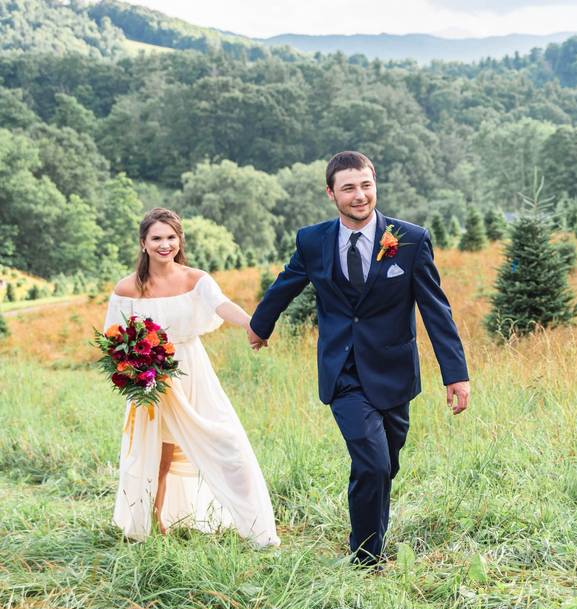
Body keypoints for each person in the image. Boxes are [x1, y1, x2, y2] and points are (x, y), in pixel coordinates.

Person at [249, 151, 469, 565]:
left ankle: (370, 539)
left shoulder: (410, 240)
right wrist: (261, 326)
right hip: (343, 372)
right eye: (348, 187)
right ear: (331, 193)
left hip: (394, 373)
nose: (359, 195)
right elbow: (286, 284)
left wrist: (455, 374)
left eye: (365, 185)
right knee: (371, 463)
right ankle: (366, 556)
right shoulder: (313, 241)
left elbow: (436, 310)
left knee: (385, 465)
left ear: (375, 184)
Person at [104, 208, 279, 547]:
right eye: (156, 238)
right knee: (158, 455)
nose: (164, 244)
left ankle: (256, 529)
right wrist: (134, 370)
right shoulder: (127, 288)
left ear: (180, 240)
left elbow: (222, 305)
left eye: (171, 237)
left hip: (192, 369)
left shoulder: (194, 279)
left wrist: (251, 325)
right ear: (143, 243)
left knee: (228, 444)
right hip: (151, 378)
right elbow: (115, 337)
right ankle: (151, 524)